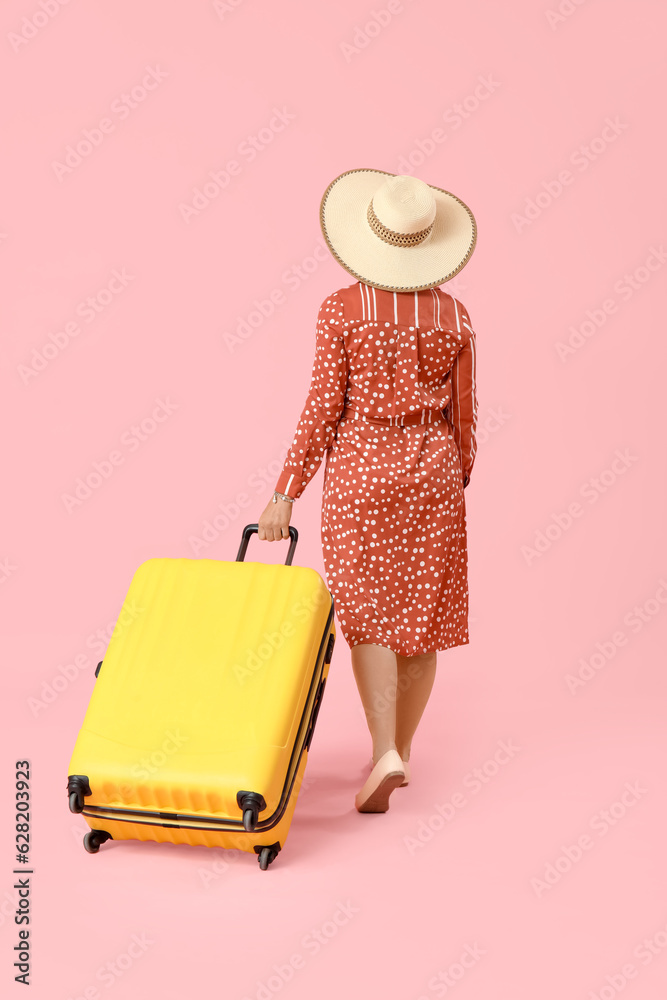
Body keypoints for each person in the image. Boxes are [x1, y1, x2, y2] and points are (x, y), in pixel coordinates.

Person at [258, 169, 478, 814]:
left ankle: (383, 746)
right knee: (424, 615)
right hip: (432, 469)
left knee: (369, 613)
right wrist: (454, 474)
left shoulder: (342, 310)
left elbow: (324, 403)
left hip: (360, 470)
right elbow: (465, 414)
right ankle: (399, 752)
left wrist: (286, 491)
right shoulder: (456, 314)